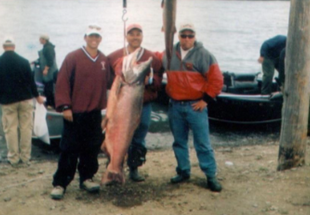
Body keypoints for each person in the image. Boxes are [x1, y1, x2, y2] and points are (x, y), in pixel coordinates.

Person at [50, 24, 110, 200]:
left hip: (94, 113)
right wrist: (65, 106)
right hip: (74, 113)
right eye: (91, 36)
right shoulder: (73, 57)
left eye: (97, 36)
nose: (94, 39)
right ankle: (61, 183)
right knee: (69, 149)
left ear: (100, 39)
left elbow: (111, 84)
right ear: (85, 37)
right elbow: (62, 83)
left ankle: (87, 177)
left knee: (91, 148)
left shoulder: (104, 60)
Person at [162, 23, 223, 192]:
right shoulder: (168, 54)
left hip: (196, 107)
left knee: (203, 143)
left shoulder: (204, 55)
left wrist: (206, 100)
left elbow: (217, 80)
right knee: (179, 142)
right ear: (178, 36)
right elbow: (155, 67)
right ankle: (183, 171)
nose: (187, 39)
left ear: (195, 37)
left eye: (190, 35)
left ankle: (210, 175)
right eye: (183, 35)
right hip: (175, 106)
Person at [108, 23, 163, 182]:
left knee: (139, 136)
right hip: (121, 106)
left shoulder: (151, 58)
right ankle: (113, 166)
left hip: (143, 105)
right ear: (126, 36)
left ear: (142, 36)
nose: (135, 37)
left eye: (138, 34)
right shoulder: (114, 56)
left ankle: (134, 168)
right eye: (131, 34)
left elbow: (159, 80)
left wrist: (151, 81)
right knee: (116, 135)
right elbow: (107, 81)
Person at [0, 37, 45, 166]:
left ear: (3, 47)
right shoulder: (24, 62)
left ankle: (13, 158)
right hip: (25, 100)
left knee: (10, 129)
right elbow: (31, 83)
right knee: (26, 128)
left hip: (8, 101)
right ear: (14, 47)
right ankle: (25, 157)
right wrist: (37, 97)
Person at [38, 34, 58, 108]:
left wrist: (46, 69)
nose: (39, 40)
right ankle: (49, 103)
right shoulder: (46, 47)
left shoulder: (48, 48)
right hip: (48, 72)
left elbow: (50, 60)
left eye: (40, 39)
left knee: (49, 88)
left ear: (44, 39)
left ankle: (51, 104)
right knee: (47, 88)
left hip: (51, 72)